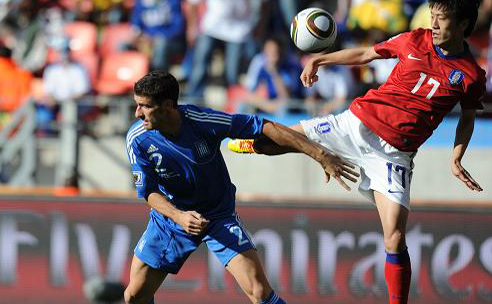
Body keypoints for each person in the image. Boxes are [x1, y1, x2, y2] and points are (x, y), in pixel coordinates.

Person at [229, 0, 485, 303]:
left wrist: (456, 157)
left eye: (441, 19)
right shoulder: (413, 39)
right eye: (432, 16)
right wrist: (321, 61)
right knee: (272, 141)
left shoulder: (471, 75)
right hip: (355, 124)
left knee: (394, 237)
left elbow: (469, 115)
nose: (433, 24)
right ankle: (252, 144)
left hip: (394, 155)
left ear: (462, 24)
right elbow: (366, 53)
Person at [124, 70, 359, 304]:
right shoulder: (137, 139)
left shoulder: (204, 122)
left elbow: (266, 127)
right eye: (137, 105)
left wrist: (319, 154)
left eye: (144, 106)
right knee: (134, 296)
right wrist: (180, 217)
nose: (137, 113)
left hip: (218, 215)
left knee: (259, 292)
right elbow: (149, 192)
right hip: (170, 221)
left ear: (167, 105)